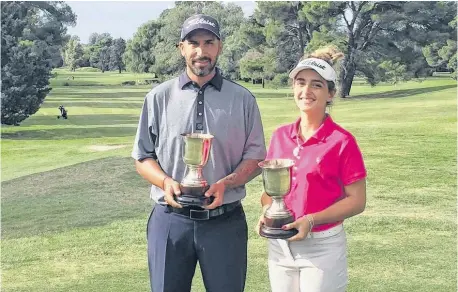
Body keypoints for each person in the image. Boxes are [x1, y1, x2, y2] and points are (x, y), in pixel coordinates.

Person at [132, 14, 266, 292]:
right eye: (193, 43)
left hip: (224, 222)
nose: (201, 51)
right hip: (170, 221)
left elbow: (255, 159)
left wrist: (226, 183)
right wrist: (165, 182)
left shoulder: (243, 100)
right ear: (182, 47)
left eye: (208, 43)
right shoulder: (158, 97)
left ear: (219, 47)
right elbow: (143, 157)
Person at [256, 46, 367, 292]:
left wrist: (311, 220)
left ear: (330, 94)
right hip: (280, 246)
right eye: (300, 82)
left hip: (322, 247)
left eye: (316, 85)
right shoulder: (280, 135)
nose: (306, 91)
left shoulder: (342, 141)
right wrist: (266, 211)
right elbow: (271, 193)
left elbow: (357, 201)